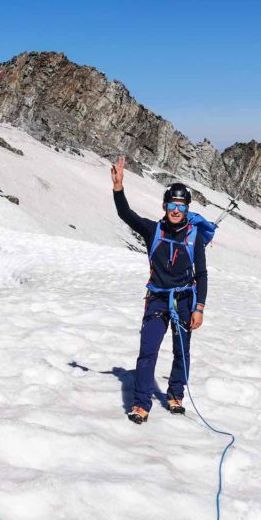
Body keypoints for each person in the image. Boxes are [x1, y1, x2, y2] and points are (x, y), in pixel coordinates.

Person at [111, 156, 207, 424]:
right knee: (148, 350)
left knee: (182, 351)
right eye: (172, 205)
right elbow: (125, 215)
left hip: (186, 300)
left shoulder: (194, 237)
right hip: (157, 300)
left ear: (187, 209)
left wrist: (199, 308)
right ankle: (141, 403)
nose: (176, 210)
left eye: (181, 206)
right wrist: (118, 188)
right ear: (164, 206)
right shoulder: (153, 230)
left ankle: (175, 395)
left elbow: (201, 274)